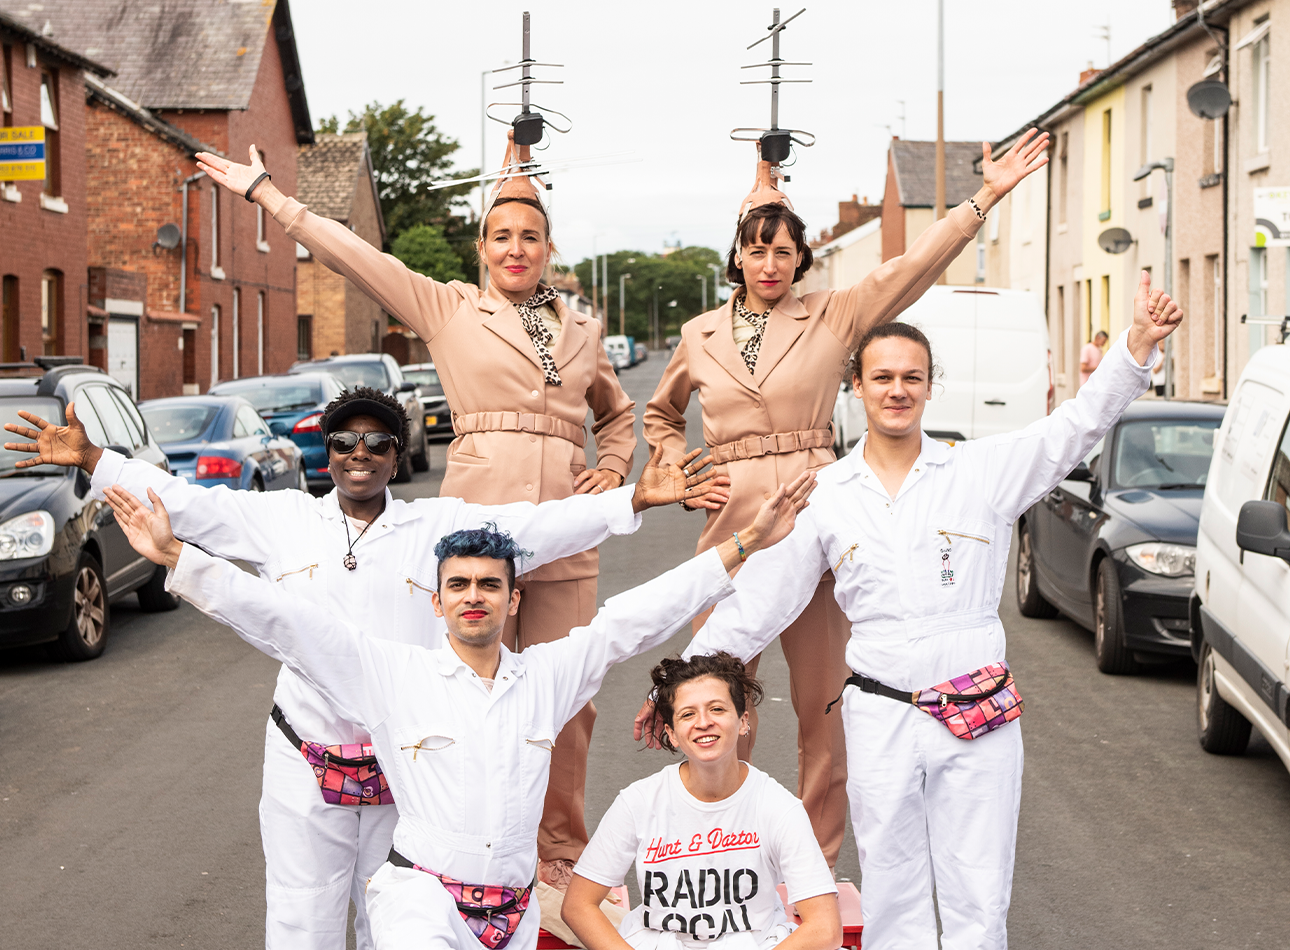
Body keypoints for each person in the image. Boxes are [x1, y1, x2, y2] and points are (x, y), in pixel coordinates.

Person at [3, 386, 727, 950]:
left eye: (378, 441)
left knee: (397, 915)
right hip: (305, 755)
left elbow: (537, 527)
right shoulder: (282, 520)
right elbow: (185, 505)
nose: (360, 453)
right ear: (327, 451)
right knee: (302, 918)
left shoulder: (435, 527)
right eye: (345, 440)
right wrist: (97, 462)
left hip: (404, 757)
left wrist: (632, 499)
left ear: (396, 451)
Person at [638, 270, 1183, 949]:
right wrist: (680, 681)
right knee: (893, 892)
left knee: (979, 892)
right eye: (882, 377)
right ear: (857, 388)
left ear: (929, 386)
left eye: (912, 377)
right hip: (881, 714)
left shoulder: (978, 473)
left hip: (978, 713)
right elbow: (761, 600)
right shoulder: (828, 494)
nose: (897, 390)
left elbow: (1072, 428)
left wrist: (1135, 348)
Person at [97, 464, 814, 950]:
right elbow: (286, 620)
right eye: (460, 584)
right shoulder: (389, 673)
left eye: (490, 585)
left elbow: (632, 620)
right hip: (423, 906)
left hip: (516, 907)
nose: (475, 596)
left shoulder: (549, 676)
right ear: (435, 602)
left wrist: (745, 544)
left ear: (514, 599)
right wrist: (178, 561)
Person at [196, 135, 647, 890]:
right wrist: (269, 195)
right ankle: (467, 840)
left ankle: (558, 852)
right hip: (478, 522)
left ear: (548, 246)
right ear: (481, 247)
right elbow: (352, 256)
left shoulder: (582, 330)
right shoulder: (446, 307)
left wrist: (609, 468)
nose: (515, 248)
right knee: (463, 689)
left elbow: (620, 414)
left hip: (566, 529)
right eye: (501, 235)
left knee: (570, 700)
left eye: (529, 236)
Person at [641, 130, 1050, 866]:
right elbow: (659, 416)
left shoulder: (835, 315)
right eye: (756, 249)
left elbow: (912, 267)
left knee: (823, 712)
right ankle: (720, 851)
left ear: (801, 258)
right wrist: (677, 470)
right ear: (735, 255)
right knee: (715, 703)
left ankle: (814, 864)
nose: (769, 264)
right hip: (731, 532)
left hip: (819, 524)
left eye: (783, 251)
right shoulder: (699, 335)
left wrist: (983, 197)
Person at [562, 653, 841, 950]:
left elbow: (825, 928)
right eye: (687, 714)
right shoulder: (639, 802)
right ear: (672, 734)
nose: (704, 722)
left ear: (743, 721)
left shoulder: (778, 807)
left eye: (717, 709)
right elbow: (578, 905)